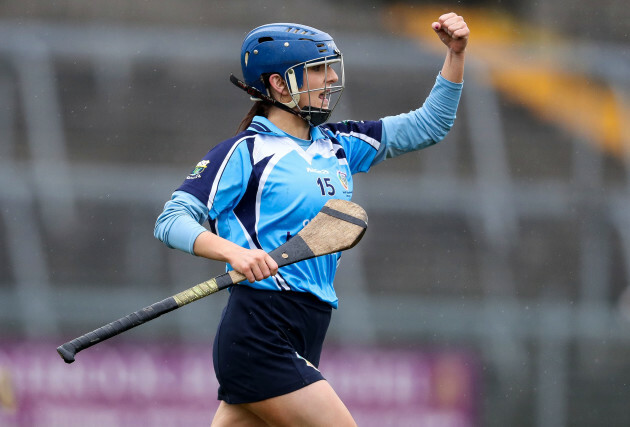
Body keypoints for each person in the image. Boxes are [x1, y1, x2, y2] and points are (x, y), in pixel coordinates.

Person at [154, 12, 469, 427]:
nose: (328, 79)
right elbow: (172, 218)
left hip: (307, 327)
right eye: (315, 70)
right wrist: (236, 253)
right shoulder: (246, 152)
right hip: (260, 329)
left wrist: (455, 55)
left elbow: (430, 125)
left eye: (329, 68)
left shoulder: (340, 145)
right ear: (278, 84)